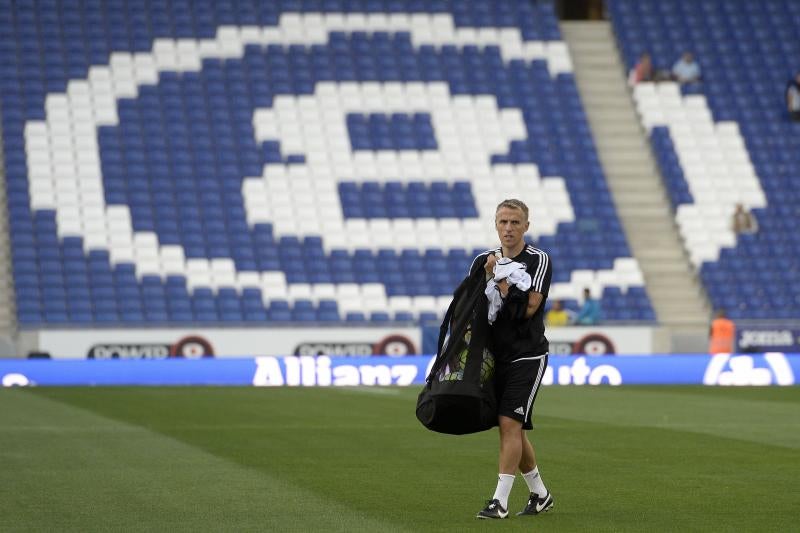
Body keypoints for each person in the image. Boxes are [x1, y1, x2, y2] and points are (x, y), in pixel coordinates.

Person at [468, 199, 553, 520]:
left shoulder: (538, 260)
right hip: (495, 356)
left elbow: (527, 310)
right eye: (503, 222)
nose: (508, 228)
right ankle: (540, 494)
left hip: (528, 354)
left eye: (515, 222)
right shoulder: (482, 260)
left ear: (526, 226)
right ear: (495, 224)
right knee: (512, 428)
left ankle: (499, 502)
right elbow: (473, 309)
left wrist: (500, 278)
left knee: (509, 424)